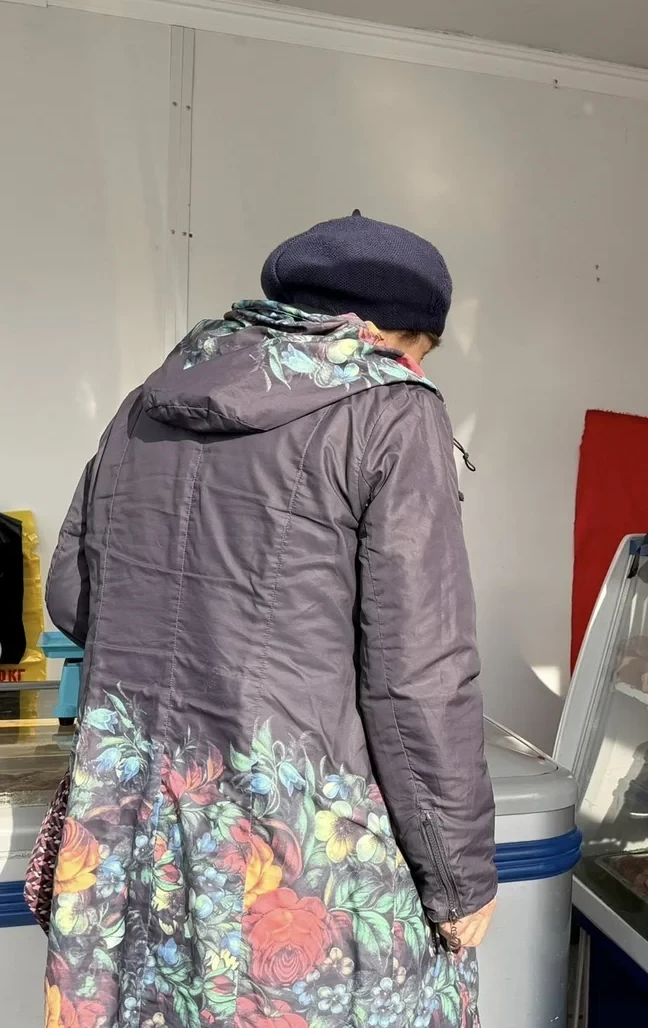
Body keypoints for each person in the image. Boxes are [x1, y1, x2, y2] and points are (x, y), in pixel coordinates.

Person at [43, 212, 496, 1027]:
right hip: (290, 852)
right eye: (422, 350)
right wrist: (460, 878)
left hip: (135, 830)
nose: (417, 368)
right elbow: (419, 678)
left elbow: (75, 597)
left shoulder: (147, 401)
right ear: (388, 334)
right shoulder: (394, 410)